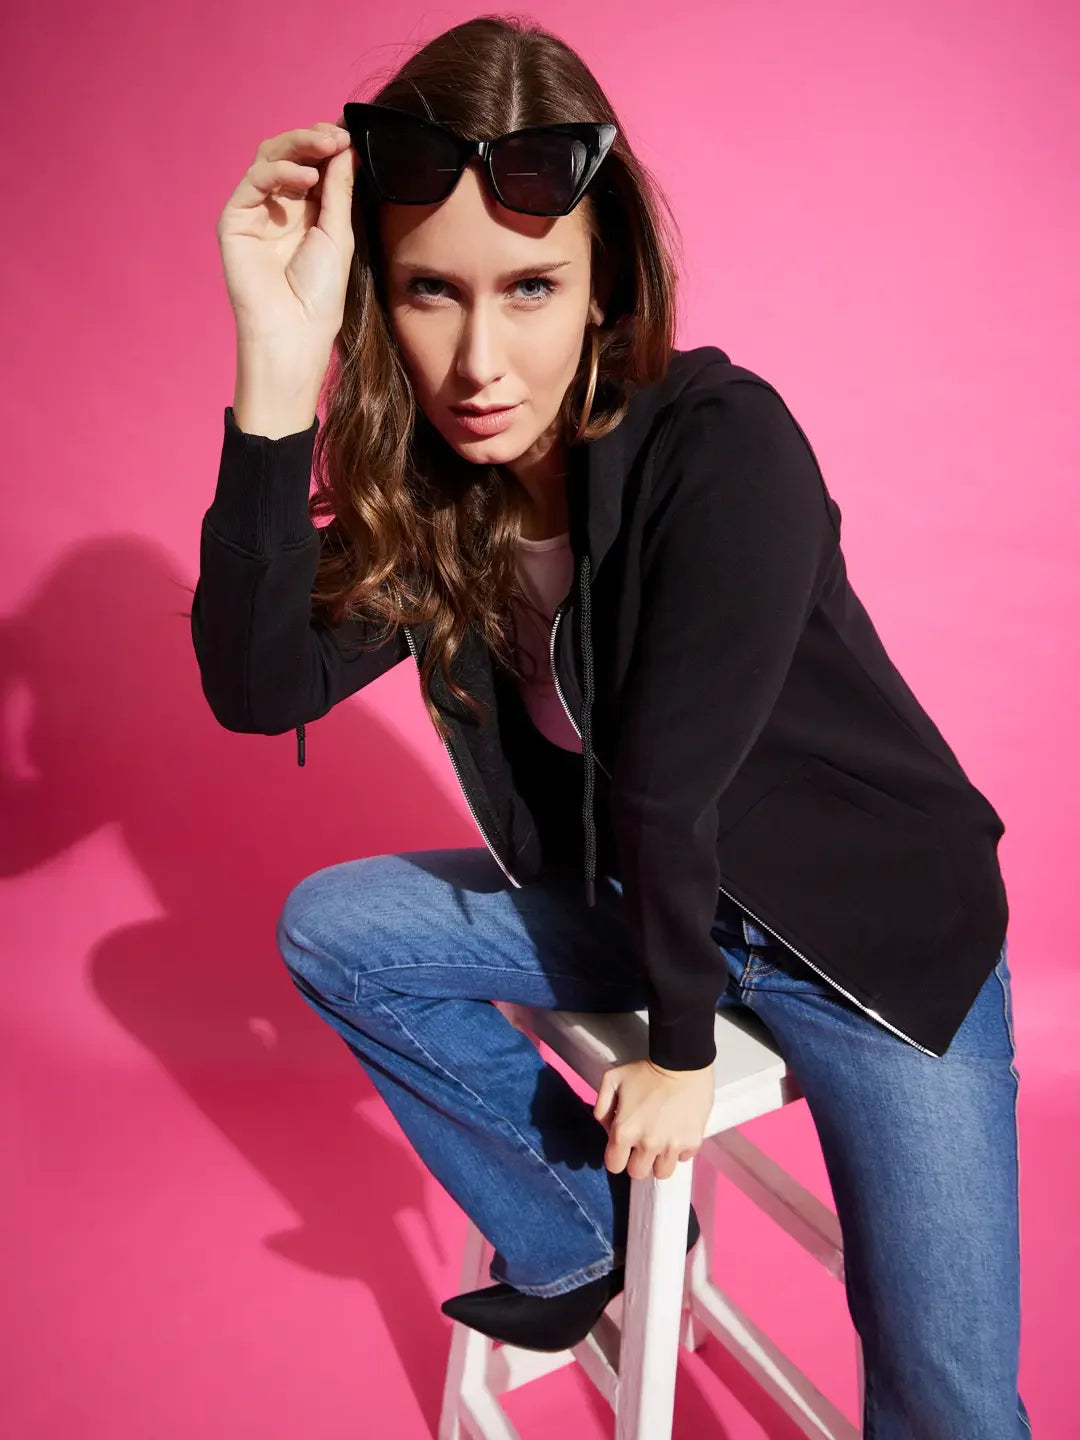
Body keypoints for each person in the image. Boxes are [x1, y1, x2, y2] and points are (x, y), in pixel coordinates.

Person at [190, 15, 1031, 1435]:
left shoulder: (726, 444)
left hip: (868, 948)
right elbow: (258, 689)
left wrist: (682, 1053)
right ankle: (587, 1233)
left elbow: (667, 775)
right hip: (642, 906)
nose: (478, 360)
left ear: (605, 284)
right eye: (429, 291)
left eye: (530, 286)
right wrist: (274, 365)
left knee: (947, 1396)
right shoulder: (445, 500)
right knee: (337, 927)